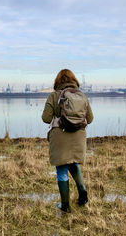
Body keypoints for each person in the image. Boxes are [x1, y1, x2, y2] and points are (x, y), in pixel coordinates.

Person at [42, 69, 94, 213]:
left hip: (60, 136)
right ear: (74, 80)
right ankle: (82, 189)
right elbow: (90, 119)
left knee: (62, 169)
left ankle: (65, 206)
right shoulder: (82, 96)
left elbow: (46, 118)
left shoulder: (54, 96)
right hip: (78, 136)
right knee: (73, 161)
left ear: (57, 82)